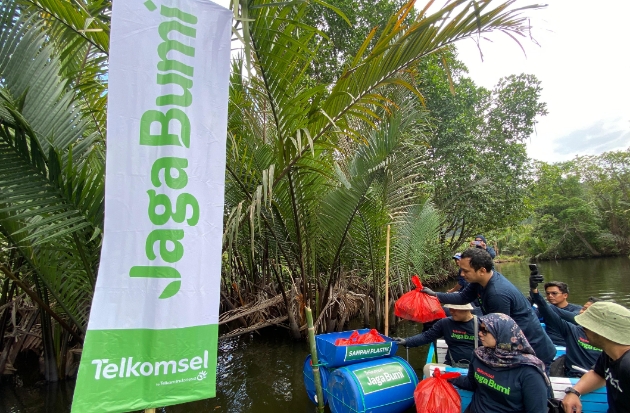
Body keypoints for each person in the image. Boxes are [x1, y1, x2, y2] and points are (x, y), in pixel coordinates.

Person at [422, 248, 556, 364]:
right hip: (514, 343)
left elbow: (499, 331)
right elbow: (462, 297)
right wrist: (435, 295)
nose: (462, 274)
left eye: (465, 271)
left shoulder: (496, 294)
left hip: (533, 350)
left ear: (482, 270)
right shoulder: (480, 281)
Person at [449, 313, 550, 413]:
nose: (479, 333)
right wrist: (448, 377)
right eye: (480, 329)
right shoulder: (480, 356)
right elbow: (471, 383)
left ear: (502, 333)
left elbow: (537, 409)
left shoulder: (528, 371)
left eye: (485, 331)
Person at [562, 302, 630, 413]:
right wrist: (574, 392)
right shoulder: (609, 354)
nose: (583, 330)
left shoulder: (627, 365)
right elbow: (598, 374)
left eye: (586, 327)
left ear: (601, 332)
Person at [530, 273, 602, 377]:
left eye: (554, 293)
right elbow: (536, 314)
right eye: (583, 308)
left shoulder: (608, 336)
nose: (582, 312)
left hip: (596, 376)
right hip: (572, 373)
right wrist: (534, 292)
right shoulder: (571, 330)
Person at [392, 303, 478, 367]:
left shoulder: (481, 324)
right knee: (427, 368)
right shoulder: (445, 323)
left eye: (455, 309)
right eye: (450, 309)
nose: (451, 312)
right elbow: (426, 336)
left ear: (467, 310)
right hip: (451, 366)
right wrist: (407, 341)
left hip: (476, 367)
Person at [535, 281, 582, 346]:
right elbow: (530, 317)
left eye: (554, 293)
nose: (550, 296)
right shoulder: (545, 309)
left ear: (565, 295)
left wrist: (546, 307)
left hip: (569, 345)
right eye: (548, 293)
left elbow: (576, 318)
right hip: (550, 345)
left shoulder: (577, 309)